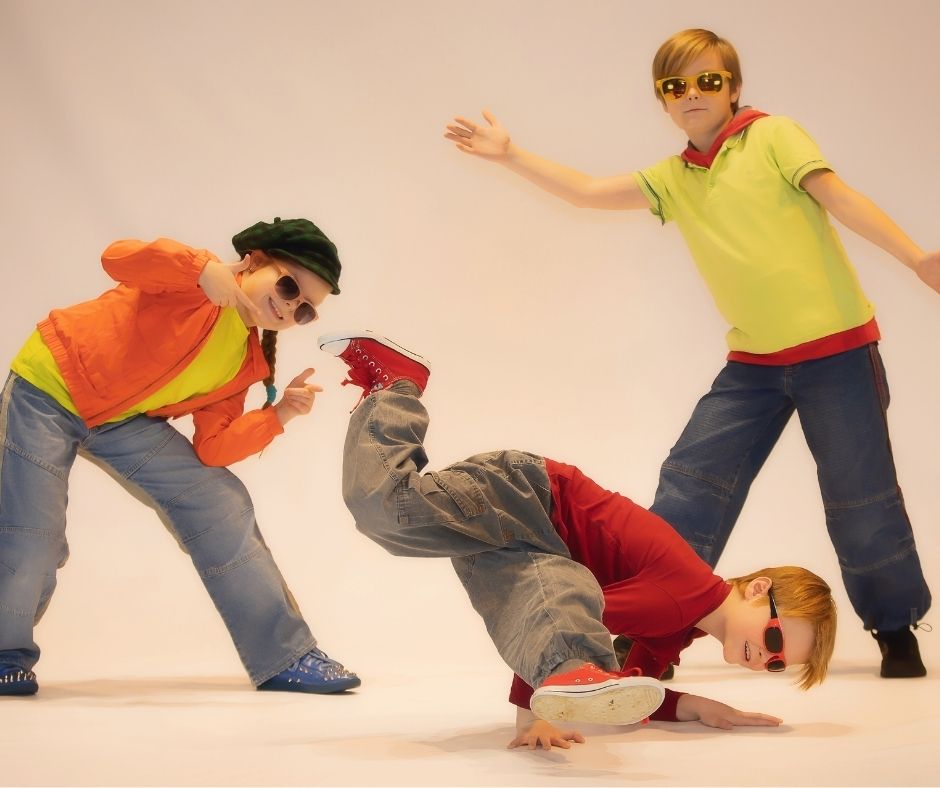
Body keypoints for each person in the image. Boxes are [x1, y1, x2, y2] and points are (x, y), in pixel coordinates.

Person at [444, 28, 934, 678]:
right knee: (689, 489)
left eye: (708, 80)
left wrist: (917, 257)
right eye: (676, 86)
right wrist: (511, 155)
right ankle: (654, 628)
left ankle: (894, 625)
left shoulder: (774, 137)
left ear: (733, 87)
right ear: (663, 100)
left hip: (837, 352)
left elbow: (838, 196)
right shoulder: (674, 178)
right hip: (754, 365)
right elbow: (586, 191)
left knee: (860, 495)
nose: (692, 94)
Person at [321, 330, 836, 750]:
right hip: (530, 501)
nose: (762, 658)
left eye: (775, 664)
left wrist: (696, 707)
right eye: (773, 639)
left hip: (537, 545)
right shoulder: (682, 596)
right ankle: (397, 385)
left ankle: (385, 396)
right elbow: (569, 615)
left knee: (573, 650)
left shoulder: (678, 629)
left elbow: (623, 693)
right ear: (757, 589)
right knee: (389, 510)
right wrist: (531, 715)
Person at [0, 217, 359, 696]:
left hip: (119, 420)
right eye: (289, 285)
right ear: (253, 262)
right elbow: (117, 257)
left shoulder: (243, 362)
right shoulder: (196, 283)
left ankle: (284, 655)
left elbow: (213, 447)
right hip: (48, 388)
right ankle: (5, 652)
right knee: (33, 536)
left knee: (220, 502)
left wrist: (277, 416)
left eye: (305, 310)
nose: (291, 306)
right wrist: (200, 269)